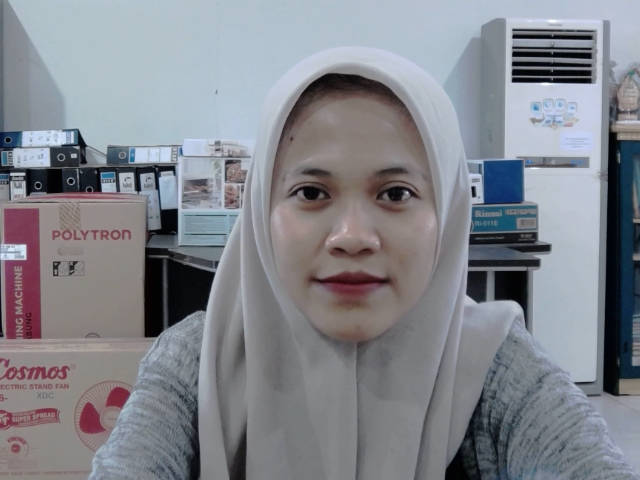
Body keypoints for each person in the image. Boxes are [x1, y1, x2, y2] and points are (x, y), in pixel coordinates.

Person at [89, 47, 638, 479]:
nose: (351, 237)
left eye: (396, 194)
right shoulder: (196, 363)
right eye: (310, 193)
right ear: (260, 211)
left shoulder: (496, 369)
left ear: (447, 211)